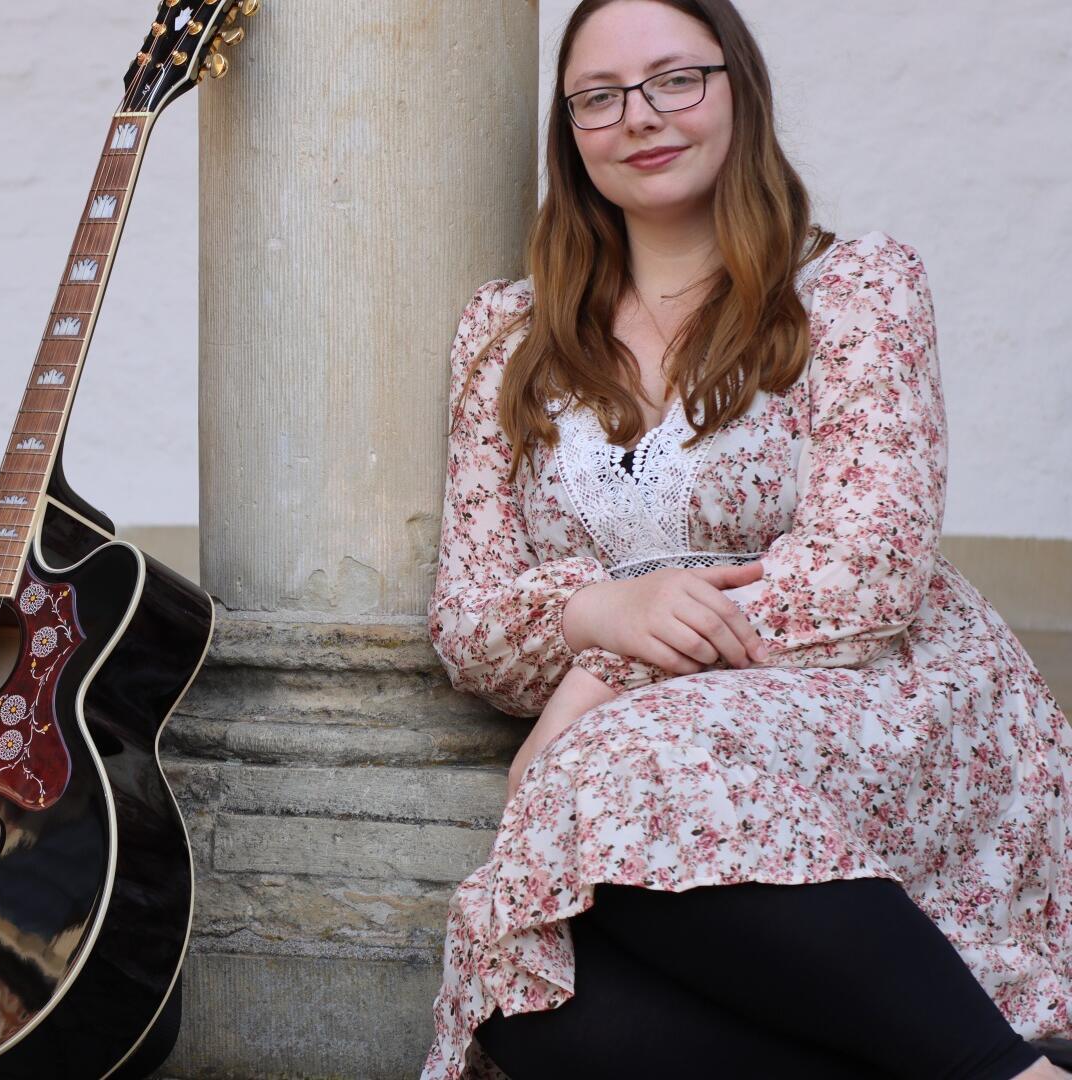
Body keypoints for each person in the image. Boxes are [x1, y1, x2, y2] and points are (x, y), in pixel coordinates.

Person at [421, 2, 1072, 1078]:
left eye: (677, 79)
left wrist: (603, 671)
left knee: (619, 758)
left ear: (739, 89)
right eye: (601, 96)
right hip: (650, 757)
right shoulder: (506, 335)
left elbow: (868, 568)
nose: (642, 116)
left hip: (862, 692)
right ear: (569, 132)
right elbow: (472, 619)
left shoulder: (856, 290)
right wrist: (598, 611)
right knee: (527, 993)